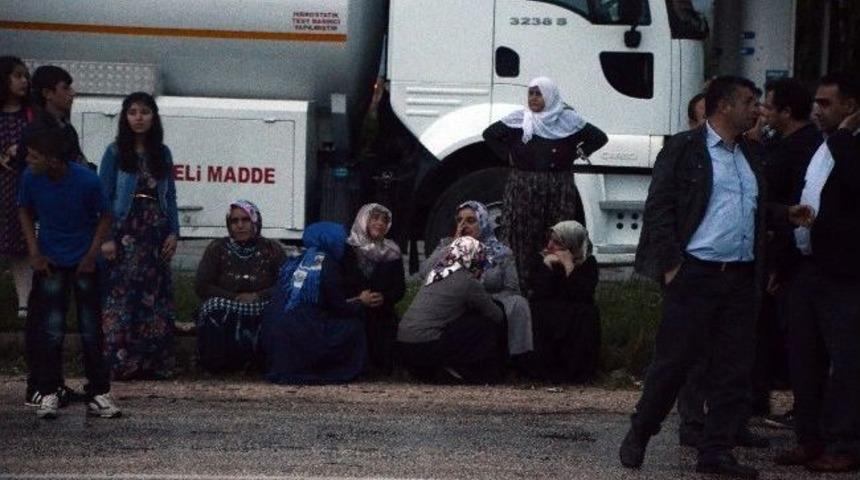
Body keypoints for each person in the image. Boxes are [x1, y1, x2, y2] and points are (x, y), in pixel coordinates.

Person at [619, 76, 809, 478]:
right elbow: (660, 208)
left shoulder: (749, 155)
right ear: (722, 106)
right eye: (748, 102)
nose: (756, 110)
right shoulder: (684, 149)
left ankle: (717, 449)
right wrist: (672, 265)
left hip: (740, 277)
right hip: (696, 274)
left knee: (732, 368)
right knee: (674, 362)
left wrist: (782, 214)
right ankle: (642, 429)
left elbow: (747, 207)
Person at [773, 73, 860, 473]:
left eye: (827, 104)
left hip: (843, 274)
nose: (817, 110)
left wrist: (844, 137)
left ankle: (845, 443)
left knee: (845, 362)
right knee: (804, 358)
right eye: (817, 102)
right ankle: (810, 437)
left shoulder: (846, 146)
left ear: (850, 107)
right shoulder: (817, 145)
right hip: (806, 267)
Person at [18, 126, 120, 419]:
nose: (28, 161)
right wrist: (34, 251)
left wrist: (91, 254)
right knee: (51, 328)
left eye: (34, 156)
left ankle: (98, 390)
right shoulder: (31, 178)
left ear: (52, 159)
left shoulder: (86, 180)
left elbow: (105, 215)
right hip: (51, 260)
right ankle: (49, 390)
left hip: (83, 260)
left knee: (91, 329)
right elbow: (24, 209)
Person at [483, 76, 608, 294]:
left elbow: (599, 137)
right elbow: (490, 135)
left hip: (557, 187)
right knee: (522, 235)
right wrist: (509, 156)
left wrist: (578, 153)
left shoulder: (568, 120)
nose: (533, 98)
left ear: (550, 96)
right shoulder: (520, 120)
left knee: (554, 234)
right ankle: (520, 285)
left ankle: (552, 284)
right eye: (530, 93)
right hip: (524, 186)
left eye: (538, 93)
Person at [99, 92, 179, 380]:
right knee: (122, 295)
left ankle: (154, 363)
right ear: (125, 117)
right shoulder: (114, 152)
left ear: (153, 117)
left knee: (153, 296)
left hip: (154, 230)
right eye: (132, 112)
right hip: (124, 229)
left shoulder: (163, 153)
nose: (138, 118)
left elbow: (170, 197)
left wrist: (174, 232)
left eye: (144, 112)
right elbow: (104, 195)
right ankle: (121, 362)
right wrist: (106, 237)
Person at [420, 201, 532, 358]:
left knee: (519, 303)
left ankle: (518, 359)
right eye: (459, 221)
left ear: (483, 222)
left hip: (493, 300)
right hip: (459, 302)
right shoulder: (448, 246)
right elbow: (425, 273)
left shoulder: (501, 252)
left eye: (471, 221)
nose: (464, 226)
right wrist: (453, 247)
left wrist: (486, 301)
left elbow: (512, 289)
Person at [260, 222, 368, 384]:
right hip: (302, 336)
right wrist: (361, 300)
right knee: (353, 327)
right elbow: (339, 308)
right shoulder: (327, 264)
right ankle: (342, 371)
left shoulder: (294, 261)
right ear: (332, 241)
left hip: (273, 337)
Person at [398, 236, 505, 384]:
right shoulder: (468, 281)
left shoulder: (437, 273)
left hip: (403, 342)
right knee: (484, 325)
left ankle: (425, 370)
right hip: (426, 345)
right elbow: (497, 315)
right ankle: (474, 372)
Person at [195, 200, 286, 373]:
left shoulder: (272, 249)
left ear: (255, 222)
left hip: (262, 302)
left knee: (280, 310)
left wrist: (258, 296)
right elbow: (202, 286)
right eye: (234, 221)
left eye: (245, 220)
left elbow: (285, 284)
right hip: (228, 302)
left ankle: (266, 363)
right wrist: (234, 297)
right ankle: (218, 366)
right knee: (212, 307)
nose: (240, 225)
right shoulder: (217, 248)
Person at [528, 221, 600, 384]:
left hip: (574, 314)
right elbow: (540, 291)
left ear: (571, 245)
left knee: (586, 313)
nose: (550, 246)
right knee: (540, 311)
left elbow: (583, 293)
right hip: (547, 311)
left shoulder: (588, 263)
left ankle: (578, 372)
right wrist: (548, 266)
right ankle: (543, 371)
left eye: (558, 243)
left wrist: (569, 266)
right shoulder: (541, 260)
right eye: (550, 240)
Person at [341, 203, 406, 375]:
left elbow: (399, 288)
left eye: (384, 220)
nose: (380, 223)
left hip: (381, 311)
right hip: (354, 307)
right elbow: (342, 283)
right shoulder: (348, 249)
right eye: (375, 218)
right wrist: (360, 297)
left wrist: (384, 297)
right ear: (364, 220)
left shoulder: (393, 252)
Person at [0, 56, 33, 320]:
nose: (23, 81)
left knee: (21, 245)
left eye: (25, 76)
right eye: (17, 76)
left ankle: (25, 302)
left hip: (21, 188)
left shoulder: (30, 115)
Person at [21, 65, 87, 166]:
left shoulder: (67, 127)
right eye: (65, 88)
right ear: (47, 93)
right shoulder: (38, 132)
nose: (73, 93)